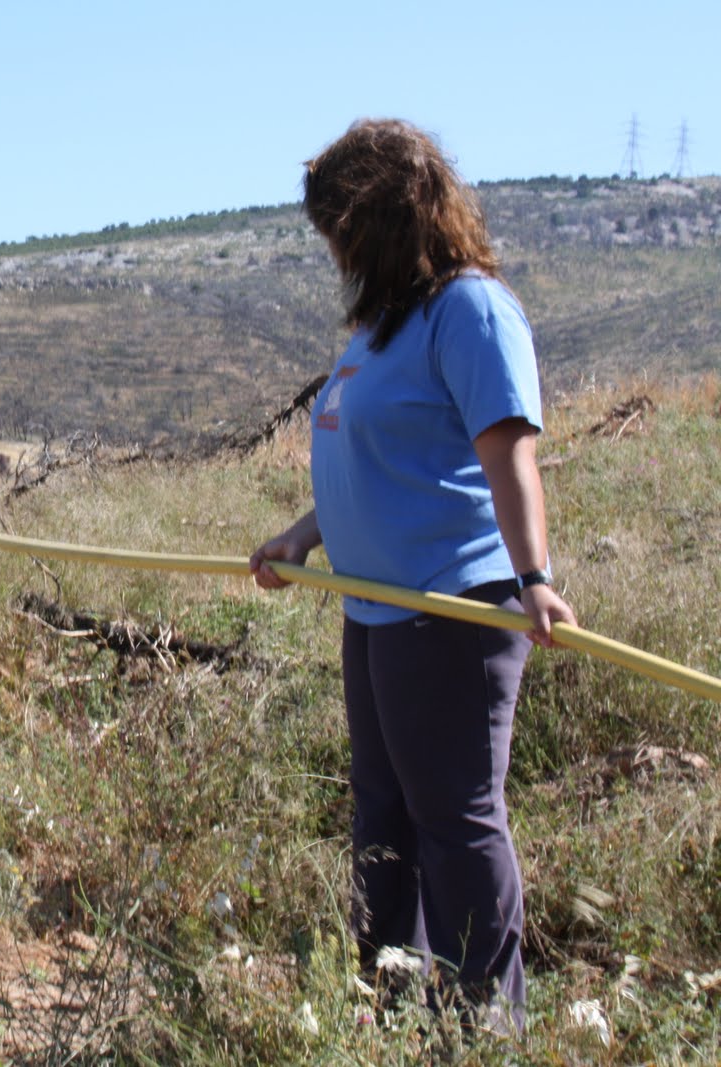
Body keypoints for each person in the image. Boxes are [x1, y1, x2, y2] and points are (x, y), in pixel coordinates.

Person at [248, 119, 576, 1033]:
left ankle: (481, 1026)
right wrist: (306, 536)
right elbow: (381, 464)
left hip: (451, 608)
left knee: (455, 820)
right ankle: (388, 1005)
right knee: (383, 816)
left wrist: (534, 576)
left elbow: (507, 450)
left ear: (385, 218)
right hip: (377, 612)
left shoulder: (470, 310)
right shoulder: (379, 328)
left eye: (341, 230)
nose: (335, 251)